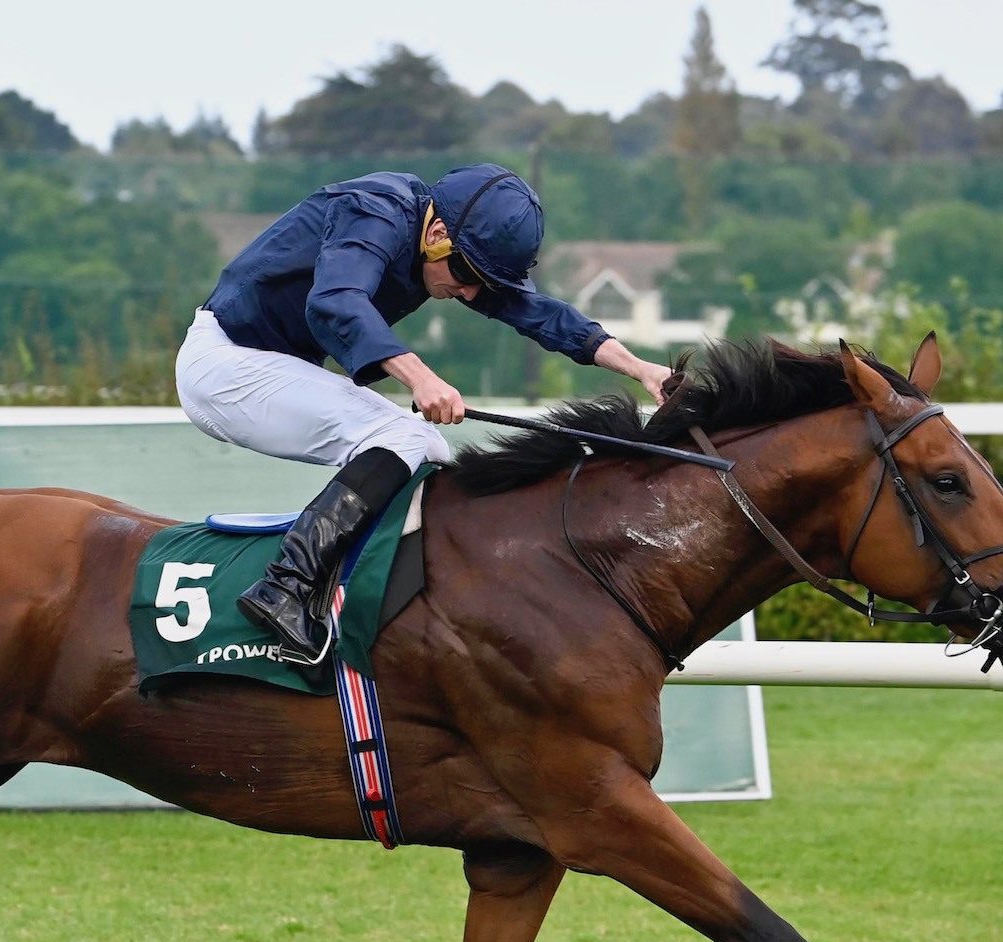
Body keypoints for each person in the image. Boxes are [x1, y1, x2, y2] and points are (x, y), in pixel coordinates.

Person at [176, 164, 673, 664]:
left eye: (485, 282)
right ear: (436, 233)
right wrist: (421, 378)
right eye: (466, 275)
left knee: (428, 448)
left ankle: (382, 601)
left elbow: (541, 314)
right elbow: (335, 302)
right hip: (225, 365)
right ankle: (285, 587)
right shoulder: (374, 210)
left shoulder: (447, 241)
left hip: (267, 365)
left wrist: (640, 369)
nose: (472, 293)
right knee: (402, 436)